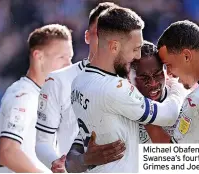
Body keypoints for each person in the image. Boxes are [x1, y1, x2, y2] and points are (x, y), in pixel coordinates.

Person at [68, 7, 184, 173]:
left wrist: (84, 159)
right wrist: (177, 88)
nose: (137, 56)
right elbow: (169, 114)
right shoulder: (116, 90)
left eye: (158, 74)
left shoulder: (79, 81)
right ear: (114, 47)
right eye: (135, 49)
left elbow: (71, 162)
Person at [35, 3, 121, 172]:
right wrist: (57, 164)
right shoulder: (58, 81)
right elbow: (42, 142)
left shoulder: (137, 81)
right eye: (100, 34)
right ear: (87, 36)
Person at [0, 24, 73, 173]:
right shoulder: (22, 96)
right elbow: (7, 153)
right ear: (39, 56)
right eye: (62, 57)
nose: (68, 64)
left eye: (70, 57)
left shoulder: (49, 98)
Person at [129, 41, 190, 143]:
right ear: (129, 77)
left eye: (158, 74)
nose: (153, 83)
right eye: (144, 78)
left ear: (165, 72)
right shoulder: (119, 105)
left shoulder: (186, 104)